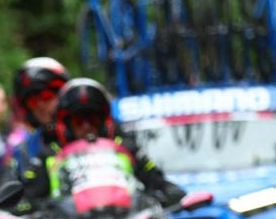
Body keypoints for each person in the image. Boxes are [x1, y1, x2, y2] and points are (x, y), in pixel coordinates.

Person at [18, 78, 185, 209]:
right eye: (79, 121)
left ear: (104, 123)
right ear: (66, 125)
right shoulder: (50, 155)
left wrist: (168, 193)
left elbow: (157, 181)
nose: (87, 127)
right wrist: (31, 207)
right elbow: (27, 196)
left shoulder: (125, 148)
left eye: (92, 120)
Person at [5, 57, 70, 179]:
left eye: (47, 96)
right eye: (33, 100)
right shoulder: (24, 149)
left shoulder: (86, 132)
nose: (40, 105)